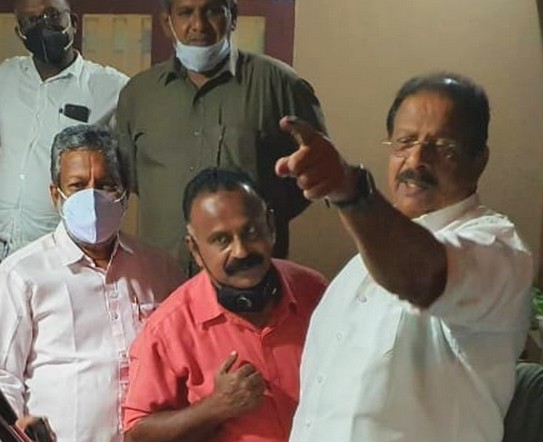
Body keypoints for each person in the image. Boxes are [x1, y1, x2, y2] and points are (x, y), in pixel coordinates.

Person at [276, 73, 534, 442]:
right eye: (405, 142)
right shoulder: (358, 267)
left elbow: (422, 276)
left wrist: (350, 190)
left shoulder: (497, 248)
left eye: (442, 147)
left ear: (479, 160)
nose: (416, 160)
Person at [0, 125, 184, 442]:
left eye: (106, 185)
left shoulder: (160, 269)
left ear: (125, 193)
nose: (93, 197)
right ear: (55, 195)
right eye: (77, 185)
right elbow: (4, 377)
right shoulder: (22, 274)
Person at [116, 0, 326, 275]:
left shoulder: (279, 84)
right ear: (167, 23)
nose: (199, 25)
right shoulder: (138, 94)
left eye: (213, 10)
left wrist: (259, 220)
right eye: (185, 13)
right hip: (162, 277)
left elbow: (316, 173)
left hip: (249, 273)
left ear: (233, 17)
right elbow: (132, 178)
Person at [122, 167, 328, 442]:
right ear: (195, 249)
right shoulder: (168, 328)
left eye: (251, 232)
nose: (241, 251)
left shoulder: (316, 291)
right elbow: (137, 435)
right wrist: (216, 407)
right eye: (222, 240)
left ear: (271, 226)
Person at [0, 0, 128, 261]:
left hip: (61, 249)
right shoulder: (6, 76)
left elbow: (128, 167)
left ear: (73, 23)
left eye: (52, 15)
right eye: (31, 21)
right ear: (20, 32)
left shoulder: (112, 88)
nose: (43, 25)